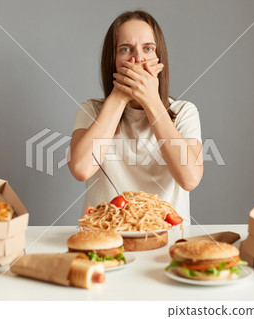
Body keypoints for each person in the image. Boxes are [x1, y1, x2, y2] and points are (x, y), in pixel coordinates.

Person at [68, 10, 203, 223]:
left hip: (165, 239)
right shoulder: (91, 110)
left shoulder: (185, 112)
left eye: (148, 48)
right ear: (113, 60)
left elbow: (190, 179)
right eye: (125, 49)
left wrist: (151, 101)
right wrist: (119, 97)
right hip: (106, 236)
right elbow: (81, 169)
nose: (138, 58)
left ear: (159, 59)